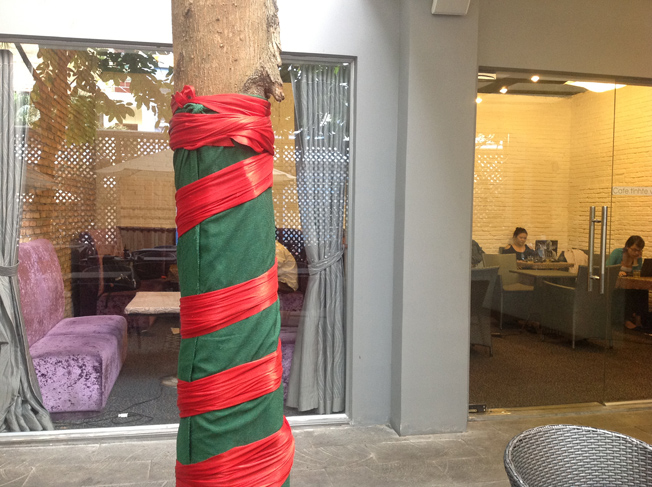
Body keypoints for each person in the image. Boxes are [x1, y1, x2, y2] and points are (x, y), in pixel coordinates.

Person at [607, 235, 646, 329]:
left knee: (643, 291)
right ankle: (626, 320)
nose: (637, 253)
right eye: (634, 250)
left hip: (628, 284)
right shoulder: (617, 253)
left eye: (639, 250)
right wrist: (617, 272)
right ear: (627, 247)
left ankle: (639, 320)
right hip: (614, 284)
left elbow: (637, 273)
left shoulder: (638, 257)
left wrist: (636, 261)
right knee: (627, 291)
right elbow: (606, 268)